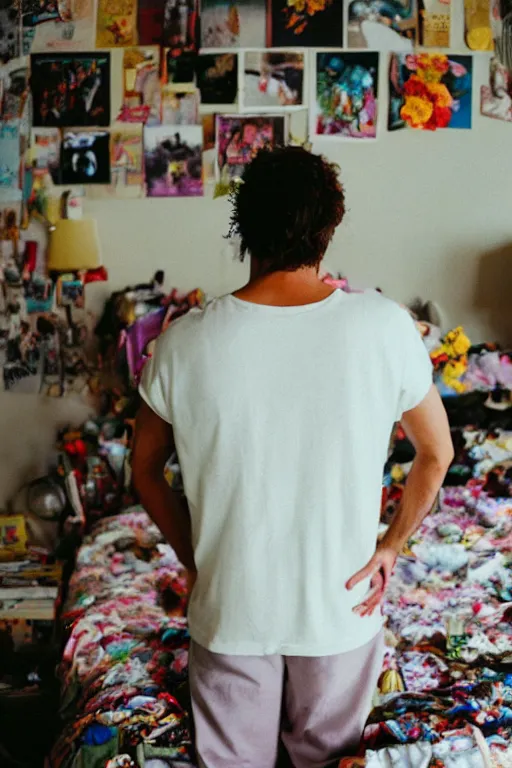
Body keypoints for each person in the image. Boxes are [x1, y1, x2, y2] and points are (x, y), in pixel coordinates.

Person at [132, 147, 453, 768]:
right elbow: (436, 454)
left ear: (243, 225)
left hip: (231, 607)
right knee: (328, 759)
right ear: (329, 228)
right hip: (339, 608)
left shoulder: (183, 342)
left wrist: (194, 555)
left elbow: (143, 470)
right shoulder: (386, 329)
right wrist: (390, 547)